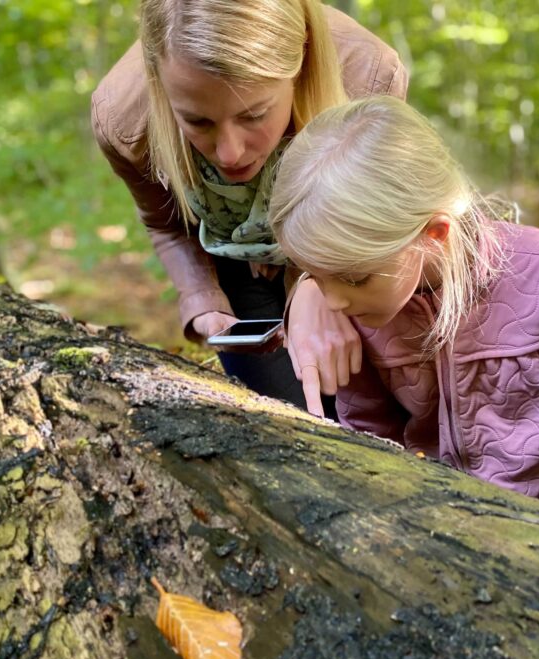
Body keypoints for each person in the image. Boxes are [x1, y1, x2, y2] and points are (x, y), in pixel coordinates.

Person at [269, 96, 539, 510]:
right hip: (437, 518)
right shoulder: (358, 312)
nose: (333, 300)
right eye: (314, 276)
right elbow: (368, 427)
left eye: (354, 277)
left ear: (434, 234)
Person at [91, 0, 407, 413]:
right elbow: (166, 224)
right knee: (287, 420)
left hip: (344, 244)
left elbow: (381, 212)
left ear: (300, 68)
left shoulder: (367, 76)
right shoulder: (124, 120)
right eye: (198, 122)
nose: (229, 153)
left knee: (372, 410)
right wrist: (202, 300)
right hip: (233, 253)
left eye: (254, 114)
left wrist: (316, 280)